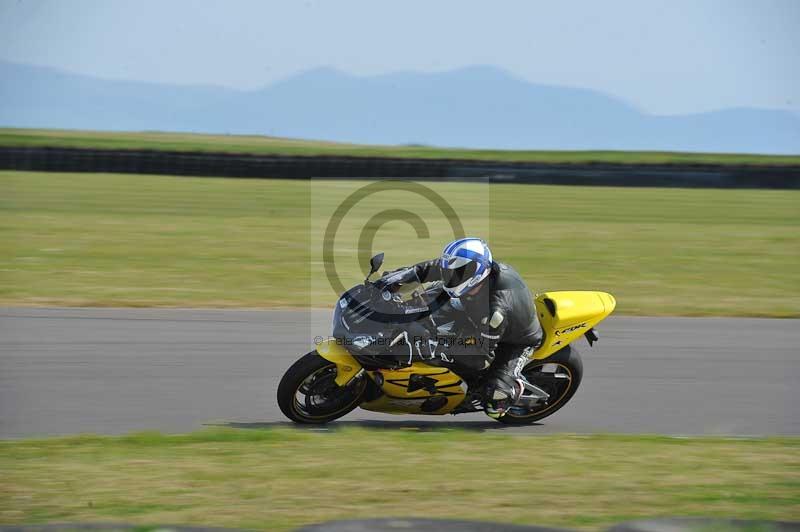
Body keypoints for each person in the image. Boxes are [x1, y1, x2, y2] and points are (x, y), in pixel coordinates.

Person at [375, 237, 545, 418]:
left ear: (477, 272)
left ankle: (513, 387)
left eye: (458, 273)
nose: (451, 276)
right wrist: (395, 278)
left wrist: (435, 348)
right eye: (451, 271)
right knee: (419, 305)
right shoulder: (467, 275)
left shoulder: (497, 311)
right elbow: (428, 269)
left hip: (514, 340)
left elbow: (481, 358)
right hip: (472, 310)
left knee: (494, 402)